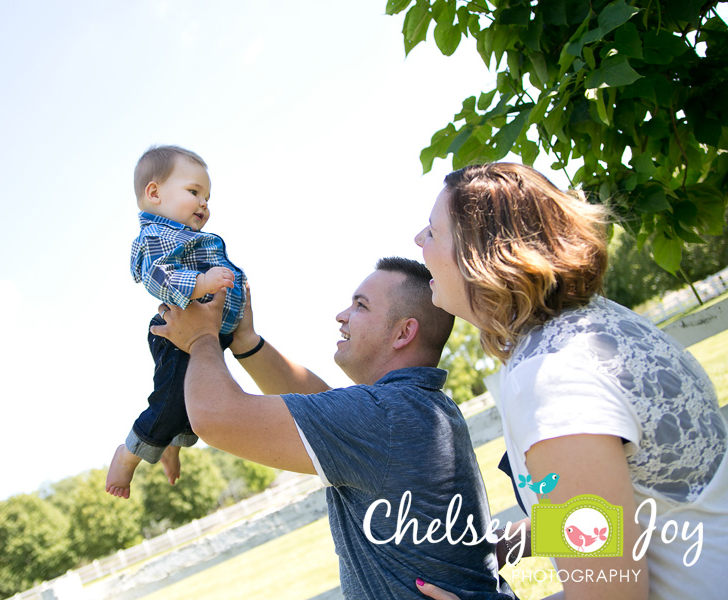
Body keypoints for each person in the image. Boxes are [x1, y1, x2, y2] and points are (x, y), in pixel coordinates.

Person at [414, 162, 728, 599]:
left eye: (432, 231)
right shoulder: (599, 325)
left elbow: (612, 593)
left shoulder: (552, 377)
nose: (417, 241)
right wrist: (517, 540)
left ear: (480, 255)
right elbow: (645, 505)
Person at [152, 257, 516, 600]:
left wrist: (201, 339)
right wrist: (247, 342)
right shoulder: (420, 406)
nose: (342, 315)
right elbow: (321, 404)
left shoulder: (383, 417)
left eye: (361, 306)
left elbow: (216, 416)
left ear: (404, 333)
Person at [105, 145, 246, 498]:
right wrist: (201, 283)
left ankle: (170, 444)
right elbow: (158, 275)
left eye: (208, 197)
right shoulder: (156, 236)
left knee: (194, 406)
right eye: (194, 192)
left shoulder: (187, 237)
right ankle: (128, 454)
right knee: (170, 403)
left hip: (206, 333)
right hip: (177, 336)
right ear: (154, 193)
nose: (204, 204)